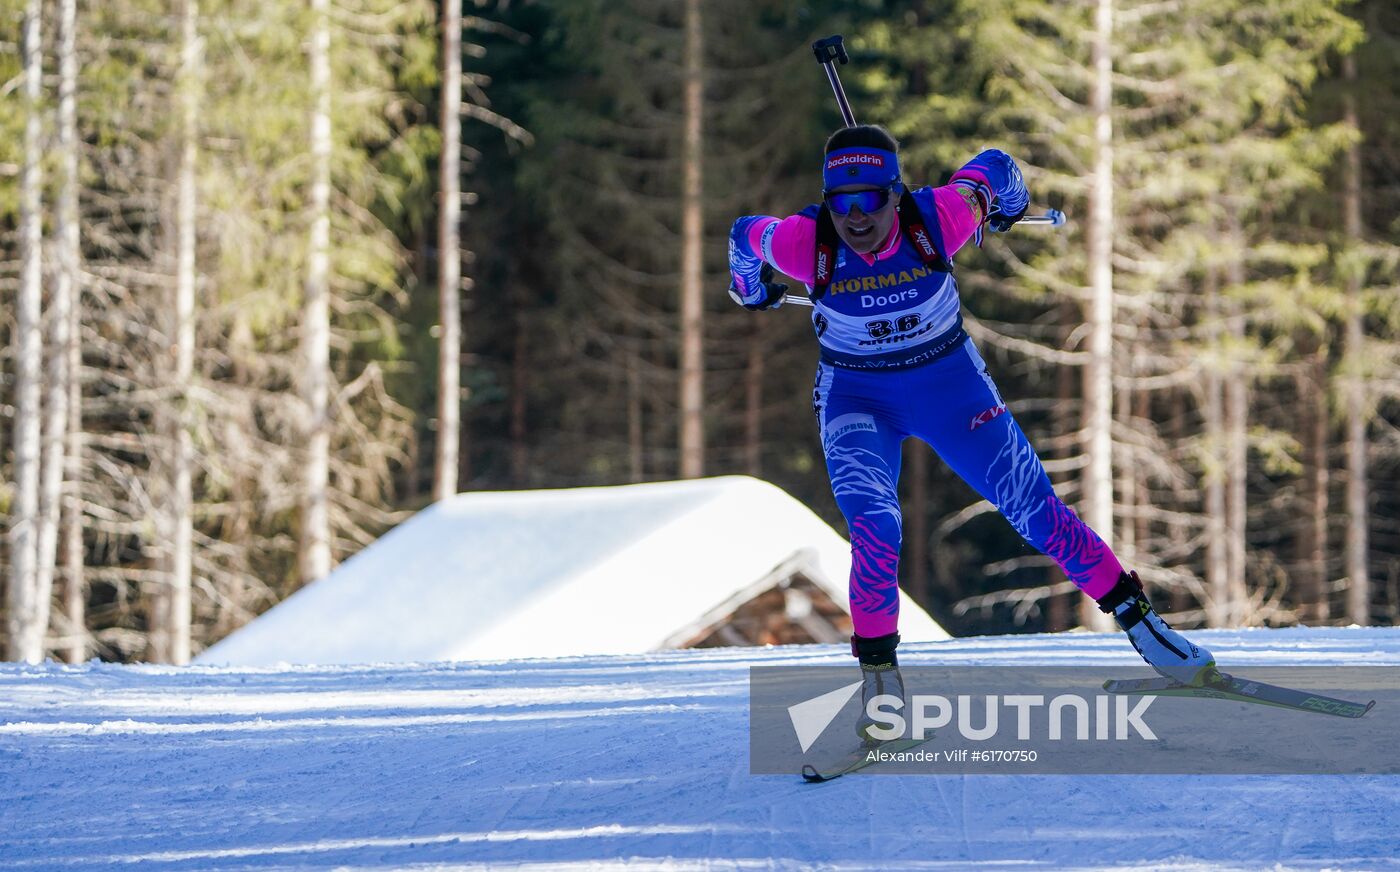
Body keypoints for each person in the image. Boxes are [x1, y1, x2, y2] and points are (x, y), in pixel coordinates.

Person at [727, 125, 1216, 742]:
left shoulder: (942, 217)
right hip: (857, 397)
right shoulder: (806, 243)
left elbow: (997, 166)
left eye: (869, 201)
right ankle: (881, 696)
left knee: (1033, 508)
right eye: (839, 203)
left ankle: (1144, 625)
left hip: (949, 389)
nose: (854, 218)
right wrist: (749, 286)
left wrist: (1006, 207)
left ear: (894, 193)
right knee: (876, 528)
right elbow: (744, 234)